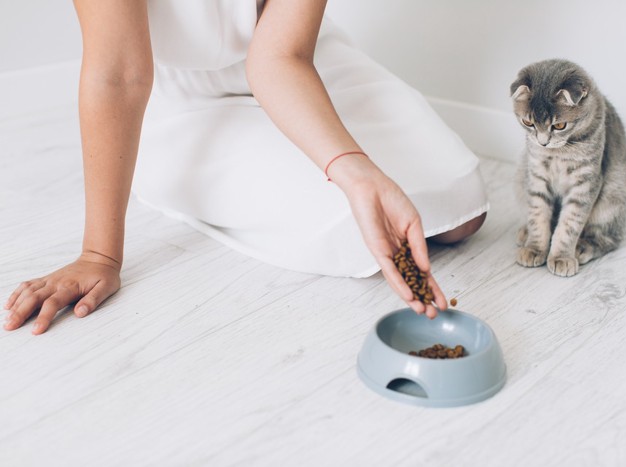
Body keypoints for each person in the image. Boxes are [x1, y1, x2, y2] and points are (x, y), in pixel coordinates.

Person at [4, 0, 488, 335]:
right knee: (347, 230)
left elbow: (280, 57)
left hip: (299, 67)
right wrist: (98, 255)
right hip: (180, 99)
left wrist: (356, 172)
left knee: (461, 203)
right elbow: (121, 74)